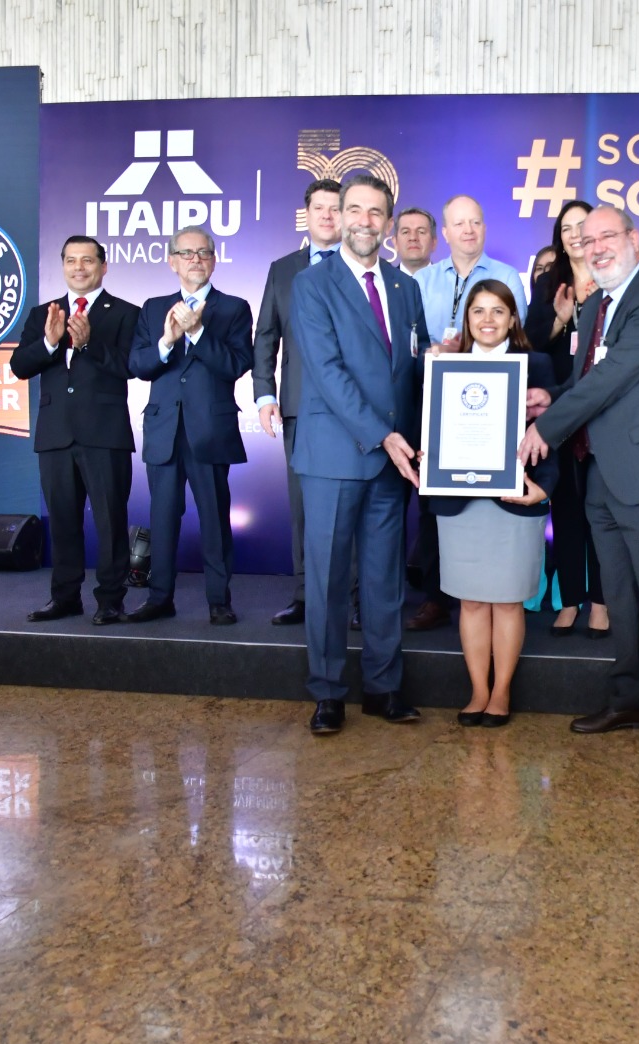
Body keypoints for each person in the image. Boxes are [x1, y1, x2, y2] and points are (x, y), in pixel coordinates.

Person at [518, 205, 639, 753]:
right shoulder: (594, 305)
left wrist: (546, 428)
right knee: (620, 596)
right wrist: (553, 397)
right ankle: (630, 697)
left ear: (633, 239)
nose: (595, 247)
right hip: (602, 473)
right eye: (585, 239)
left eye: (606, 237)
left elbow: (615, 377)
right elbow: (585, 381)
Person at [290, 174, 430, 733]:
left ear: (388, 223)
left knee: (383, 579)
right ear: (339, 217)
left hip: (394, 461)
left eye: (377, 213)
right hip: (335, 454)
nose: (365, 222)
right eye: (356, 210)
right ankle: (327, 692)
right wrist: (384, 436)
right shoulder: (312, 284)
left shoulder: (404, 288)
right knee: (326, 580)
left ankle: (383, 687)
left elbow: (412, 370)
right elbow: (327, 373)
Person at [430, 281, 559, 727]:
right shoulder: (444, 367)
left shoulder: (537, 364)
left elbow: (557, 434)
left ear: (512, 319)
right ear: (466, 320)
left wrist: (546, 488)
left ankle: (501, 692)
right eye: (478, 311)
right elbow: (426, 428)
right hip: (459, 502)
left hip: (516, 498)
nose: (487, 320)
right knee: (470, 602)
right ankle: (477, 691)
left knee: (506, 602)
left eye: (498, 311)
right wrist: (429, 453)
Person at [409, 195, 529, 632]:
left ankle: (491, 592)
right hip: (436, 403)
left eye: (475, 222)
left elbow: (518, 340)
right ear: (445, 233)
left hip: (493, 407)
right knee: (436, 502)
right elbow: (413, 342)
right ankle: (436, 596)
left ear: (484, 227)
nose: (468, 231)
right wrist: (435, 353)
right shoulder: (423, 279)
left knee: (489, 502)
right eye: (459, 224)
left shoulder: (506, 276)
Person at [126, 226, 254, 625]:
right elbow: (138, 365)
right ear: (172, 261)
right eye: (187, 253)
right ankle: (159, 598)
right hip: (164, 431)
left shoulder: (234, 308)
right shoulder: (151, 308)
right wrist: (167, 341)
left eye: (203, 253)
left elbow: (236, 364)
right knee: (163, 519)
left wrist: (197, 333)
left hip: (209, 431)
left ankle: (219, 600)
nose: (195, 259)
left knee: (215, 519)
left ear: (214, 260)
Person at [10, 237, 140, 625]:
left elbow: (130, 366)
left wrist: (87, 345)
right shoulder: (42, 314)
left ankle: (111, 600)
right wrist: (51, 342)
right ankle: (65, 597)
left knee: (110, 521)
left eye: (87, 260)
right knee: (63, 520)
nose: (79, 267)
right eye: (71, 260)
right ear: (63, 265)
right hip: (55, 434)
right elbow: (19, 366)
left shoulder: (125, 313)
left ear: (103, 266)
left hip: (105, 433)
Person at [251, 178, 346, 628]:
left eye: (335, 208)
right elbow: (266, 335)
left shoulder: (362, 268)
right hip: (299, 409)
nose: (327, 216)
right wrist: (265, 393)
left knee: (355, 505)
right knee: (303, 507)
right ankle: (306, 596)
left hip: (353, 410)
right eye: (320, 208)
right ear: (307, 214)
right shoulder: (282, 268)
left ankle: (356, 599)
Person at [524, 199, 608, 638]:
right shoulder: (548, 284)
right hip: (556, 409)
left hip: (606, 410)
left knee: (603, 509)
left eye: (584, 226)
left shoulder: (614, 278)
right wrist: (559, 320)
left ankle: (601, 601)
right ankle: (571, 599)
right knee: (568, 508)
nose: (576, 234)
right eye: (568, 227)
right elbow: (532, 342)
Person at [394, 207, 437, 277]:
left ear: (434, 242)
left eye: (421, 232)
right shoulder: (381, 283)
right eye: (405, 232)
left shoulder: (451, 283)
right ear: (395, 242)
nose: (413, 237)